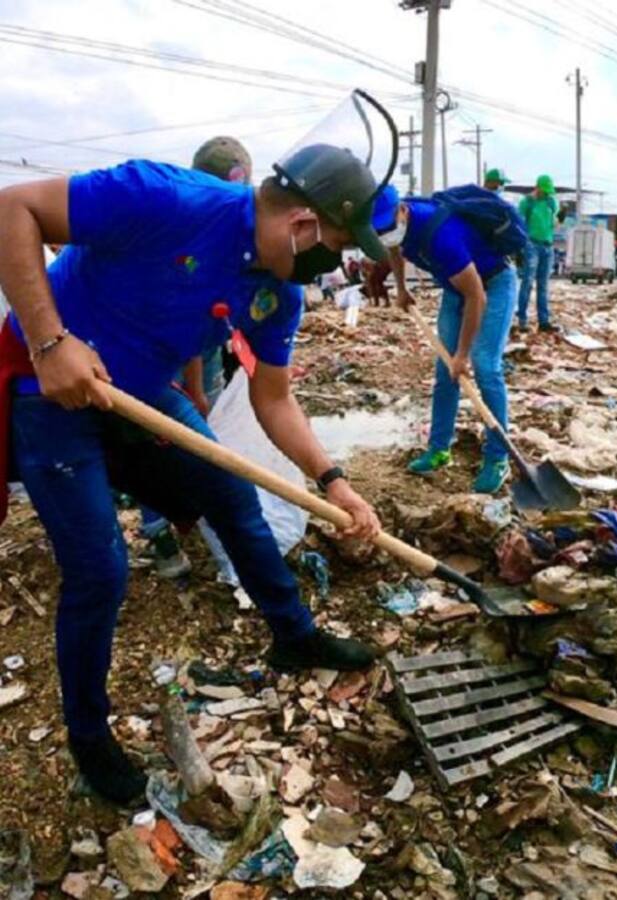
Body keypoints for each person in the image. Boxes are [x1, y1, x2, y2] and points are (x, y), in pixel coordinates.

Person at [0, 142, 392, 804]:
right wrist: (50, 342)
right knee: (100, 569)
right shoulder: (165, 197)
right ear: (301, 225)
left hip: (141, 390)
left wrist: (335, 482)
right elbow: (13, 208)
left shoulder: (277, 293)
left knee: (233, 497)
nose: (337, 262)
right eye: (336, 244)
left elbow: (274, 399)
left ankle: (293, 634)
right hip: (52, 389)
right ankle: (89, 736)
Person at [139, 135, 257, 580]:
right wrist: (195, 389)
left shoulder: (226, 219)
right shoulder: (178, 224)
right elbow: (184, 318)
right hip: (164, 352)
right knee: (164, 438)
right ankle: (164, 529)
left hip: (199, 346)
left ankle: (189, 521)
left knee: (193, 435)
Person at [366, 186, 519, 494]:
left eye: (388, 227)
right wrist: (401, 289)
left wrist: (462, 354)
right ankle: (439, 448)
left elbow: (477, 297)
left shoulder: (442, 237)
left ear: (403, 211)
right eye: (379, 230)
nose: (386, 234)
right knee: (444, 370)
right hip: (455, 288)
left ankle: (498, 457)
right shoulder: (396, 229)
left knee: (484, 365)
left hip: (494, 284)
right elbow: (394, 250)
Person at [517, 174, 559, 333]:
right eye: (544, 190)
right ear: (538, 187)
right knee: (527, 282)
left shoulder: (551, 202)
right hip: (531, 244)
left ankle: (544, 321)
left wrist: (557, 220)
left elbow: (555, 221)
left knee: (543, 285)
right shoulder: (527, 202)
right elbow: (519, 223)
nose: (547, 193)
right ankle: (522, 320)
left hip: (548, 245)